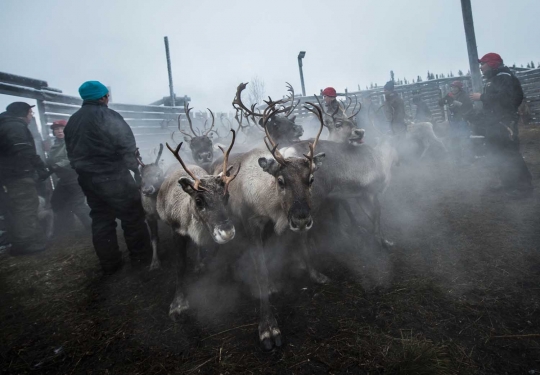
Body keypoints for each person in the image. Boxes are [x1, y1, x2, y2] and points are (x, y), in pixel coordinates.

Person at [65, 81, 150, 274]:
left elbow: (70, 151)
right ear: (103, 97)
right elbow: (127, 147)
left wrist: (83, 171)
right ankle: (141, 259)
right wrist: (137, 171)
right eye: (107, 95)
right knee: (132, 216)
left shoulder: (73, 121)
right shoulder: (109, 116)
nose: (108, 98)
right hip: (113, 176)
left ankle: (110, 264)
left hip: (88, 179)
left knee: (101, 219)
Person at [469, 53, 533, 197]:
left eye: (482, 64)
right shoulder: (494, 78)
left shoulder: (504, 77)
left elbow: (506, 98)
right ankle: (508, 184)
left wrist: (482, 97)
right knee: (498, 153)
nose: (480, 67)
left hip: (504, 121)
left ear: (491, 63)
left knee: (510, 153)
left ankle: (524, 187)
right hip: (495, 121)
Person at [0, 102, 51, 255]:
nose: (31, 116)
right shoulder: (14, 126)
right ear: (25, 113)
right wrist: (39, 166)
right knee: (25, 208)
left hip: (8, 176)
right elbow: (22, 148)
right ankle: (27, 244)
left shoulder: (5, 124)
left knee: (15, 208)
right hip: (17, 175)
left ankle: (19, 242)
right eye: (31, 113)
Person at [47, 120, 91, 235]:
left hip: (76, 177)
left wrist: (57, 165)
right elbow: (51, 161)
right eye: (56, 129)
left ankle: (94, 227)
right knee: (57, 201)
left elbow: (74, 157)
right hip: (64, 179)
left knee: (77, 204)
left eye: (62, 128)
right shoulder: (55, 145)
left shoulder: (74, 141)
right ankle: (66, 228)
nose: (59, 131)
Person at [439, 81, 473, 164]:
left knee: (464, 140)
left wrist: (460, 104)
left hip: (462, 120)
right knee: (454, 140)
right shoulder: (450, 95)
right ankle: (457, 159)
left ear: (459, 88)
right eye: (452, 87)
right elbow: (440, 103)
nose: (453, 89)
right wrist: (445, 100)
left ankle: (468, 159)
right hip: (453, 121)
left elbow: (469, 107)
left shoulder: (464, 96)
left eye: (455, 87)